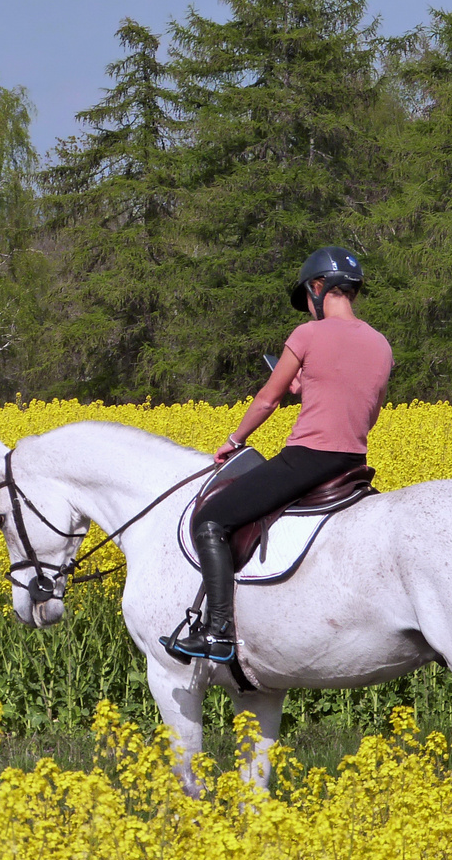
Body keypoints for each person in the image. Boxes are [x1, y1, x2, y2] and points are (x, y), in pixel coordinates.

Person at [163, 246, 393, 663]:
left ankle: (217, 632)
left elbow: (269, 400)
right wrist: (312, 388)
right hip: (352, 462)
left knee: (211, 519)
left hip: (307, 457)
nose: (309, 308)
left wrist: (234, 440)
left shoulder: (307, 335)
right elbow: (368, 413)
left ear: (319, 287)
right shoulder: (380, 344)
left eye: (308, 298)